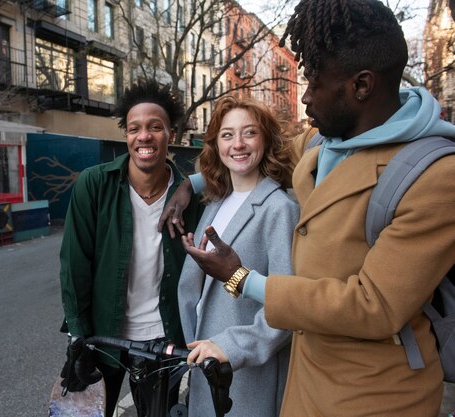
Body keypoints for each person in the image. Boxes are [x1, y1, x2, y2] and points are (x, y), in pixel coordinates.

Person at [159, 0, 455, 416]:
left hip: (374, 395)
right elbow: (256, 157)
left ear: (362, 86)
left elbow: (374, 306)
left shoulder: (436, 175)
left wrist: (242, 279)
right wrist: (190, 185)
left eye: (315, 83)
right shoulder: (322, 143)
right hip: (302, 381)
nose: (307, 99)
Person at [58, 79, 203, 417]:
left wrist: (190, 184)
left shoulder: (191, 199)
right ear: (126, 134)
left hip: (164, 338)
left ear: (171, 134)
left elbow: (236, 163)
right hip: (104, 335)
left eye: (155, 127)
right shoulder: (94, 185)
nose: (144, 136)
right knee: (88, 413)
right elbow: (74, 264)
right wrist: (77, 335)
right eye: (134, 128)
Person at [178, 96, 298, 417]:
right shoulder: (215, 203)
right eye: (227, 135)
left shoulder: (280, 209)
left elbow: (287, 308)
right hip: (206, 366)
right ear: (216, 144)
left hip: (246, 375)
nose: (238, 144)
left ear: (266, 140)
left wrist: (230, 348)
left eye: (250, 133)